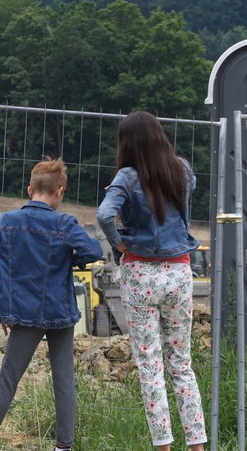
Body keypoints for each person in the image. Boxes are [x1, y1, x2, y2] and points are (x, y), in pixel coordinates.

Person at [0, 157, 102, 451]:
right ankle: (63, 447)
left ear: (29, 189)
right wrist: (69, 259)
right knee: (64, 380)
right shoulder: (64, 224)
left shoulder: (7, 222)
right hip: (60, 312)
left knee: (8, 379)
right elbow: (93, 250)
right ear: (60, 191)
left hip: (22, 313)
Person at [96, 111, 207, 451]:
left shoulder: (127, 177)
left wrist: (120, 242)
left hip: (141, 273)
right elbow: (187, 191)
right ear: (159, 136)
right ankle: (198, 444)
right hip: (178, 272)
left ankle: (163, 445)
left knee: (150, 365)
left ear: (127, 142)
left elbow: (103, 215)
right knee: (181, 364)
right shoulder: (183, 169)